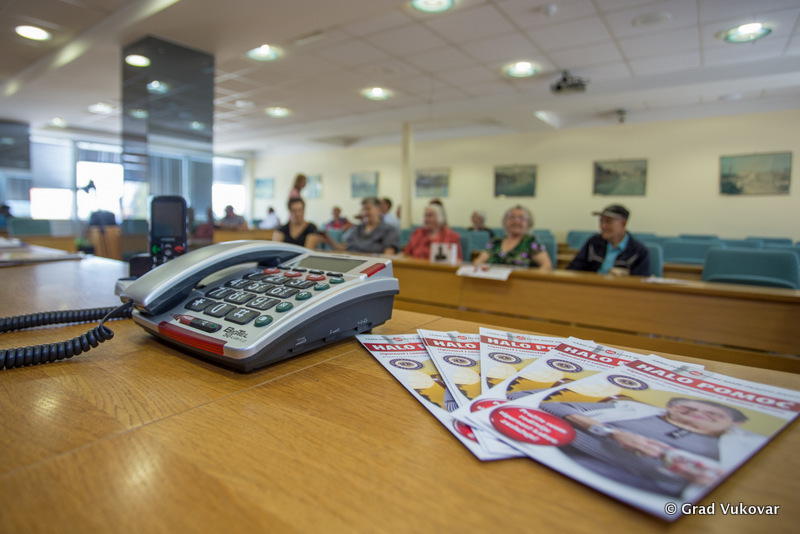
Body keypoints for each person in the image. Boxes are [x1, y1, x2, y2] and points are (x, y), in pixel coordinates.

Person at [539, 397, 766, 497]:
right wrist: (611, 432)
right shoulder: (634, 410)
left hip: (654, 489)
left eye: (712, 414)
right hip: (561, 452)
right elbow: (553, 406)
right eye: (687, 408)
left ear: (735, 422)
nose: (697, 414)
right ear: (669, 407)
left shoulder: (746, 446)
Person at [566, 204, 650, 276]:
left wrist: (627, 274)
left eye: (608, 222)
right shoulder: (593, 243)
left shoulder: (638, 251)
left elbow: (642, 281)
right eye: (601, 221)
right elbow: (573, 269)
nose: (603, 226)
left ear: (623, 224)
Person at [472, 205, 552, 270]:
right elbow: (478, 262)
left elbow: (547, 266)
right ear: (505, 222)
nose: (516, 221)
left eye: (521, 218)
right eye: (512, 217)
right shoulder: (495, 242)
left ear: (528, 223)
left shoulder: (532, 242)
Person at [322, 197, 398, 255]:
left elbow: (388, 255)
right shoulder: (356, 229)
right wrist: (329, 240)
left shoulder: (388, 230)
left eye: (368, 209)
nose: (364, 213)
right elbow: (343, 248)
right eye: (363, 209)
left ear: (379, 209)